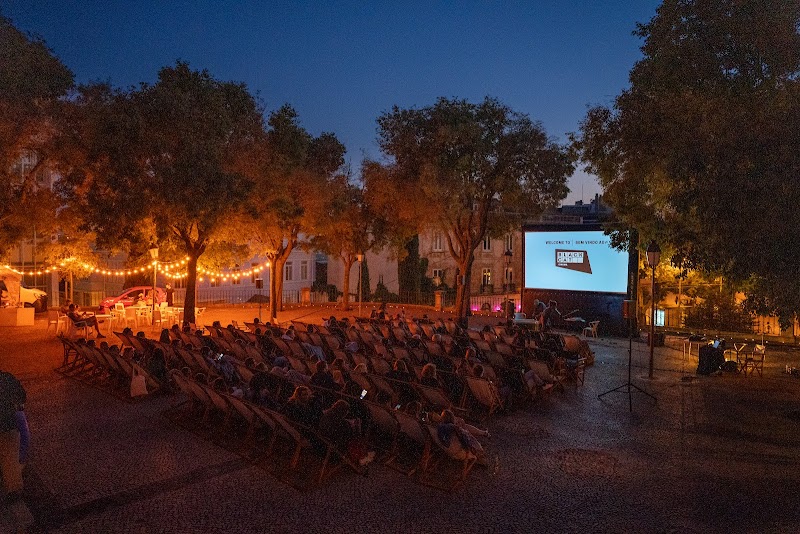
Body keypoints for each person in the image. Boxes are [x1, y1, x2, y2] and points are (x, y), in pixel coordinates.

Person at [0, 370, 27, 502]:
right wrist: (18, 408)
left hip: (7, 425)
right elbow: (22, 396)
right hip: (7, 424)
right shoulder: (6, 378)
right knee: (10, 458)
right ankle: (14, 491)